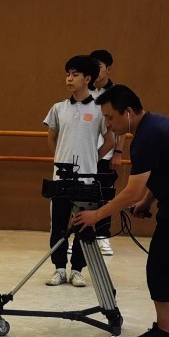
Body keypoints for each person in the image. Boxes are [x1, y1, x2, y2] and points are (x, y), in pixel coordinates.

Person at [73, 86, 169, 337]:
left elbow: (132, 191)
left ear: (127, 112)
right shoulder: (152, 127)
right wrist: (147, 201)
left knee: (162, 267)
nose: (108, 124)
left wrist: (97, 215)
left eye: (110, 117)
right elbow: (162, 172)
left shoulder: (148, 137)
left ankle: (164, 332)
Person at [43, 55, 115, 287]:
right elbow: (51, 137)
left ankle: (77, 270)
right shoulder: (58, 108)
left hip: (87, 179)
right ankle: (59, 268)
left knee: (83, 225)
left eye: (75, 75)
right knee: (58, 225)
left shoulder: (99, 109)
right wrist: (59, 159)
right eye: (68, 74)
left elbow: (110, 140)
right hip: (60, 179)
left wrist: (92, 159)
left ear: (87, 78)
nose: (69, 79)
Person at [89, 49, 121, 257]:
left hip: (107, 154)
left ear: (108, 69)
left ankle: (102, 236)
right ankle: (78, 235)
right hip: (85, 155)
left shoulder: (117, 93)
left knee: (104, 196)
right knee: (80, 195)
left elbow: (121, 126)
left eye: (99, 66)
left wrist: (118, 152)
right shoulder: (84, 91)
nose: (95, 70)